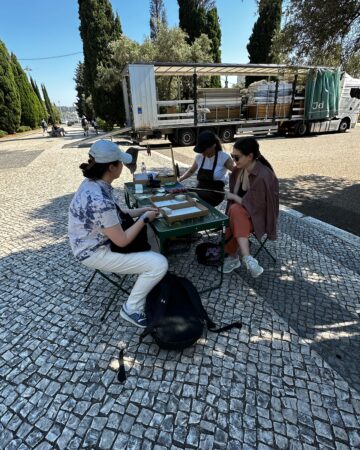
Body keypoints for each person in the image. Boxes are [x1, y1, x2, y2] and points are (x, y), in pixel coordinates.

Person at [68, 139, 168, 328]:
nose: (123, 165)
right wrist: (144, 219)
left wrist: (140, 211)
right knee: (160, 263)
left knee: (151, 238)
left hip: (89, 242)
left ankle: (148, 276)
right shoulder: (100, 199)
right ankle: (131, 308)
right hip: (94, 251)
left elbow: (114, 217)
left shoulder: (92, 184)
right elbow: (121, 241)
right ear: (112, 167)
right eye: (120, 162)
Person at [222, 137, 279, 277]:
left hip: (258, 217)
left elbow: (256, 207)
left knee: (234, 211)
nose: (234, 160)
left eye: (237, 157)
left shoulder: (263, 176)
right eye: (232, 156)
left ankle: (237, 257)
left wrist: (233, 197)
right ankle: (246, 259)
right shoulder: (238, 170)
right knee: (234, 212)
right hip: (241, 216)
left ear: (250, 156)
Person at [178, 131, 234, 206]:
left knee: (193, 196)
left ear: (213, 146)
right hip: (200, 189)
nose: (202, 153)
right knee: (183, 193)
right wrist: (179, 180)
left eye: (204, 150)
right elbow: (191, 171)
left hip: (215, 193)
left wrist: (235, 190)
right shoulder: (199, 157)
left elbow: (237, 172)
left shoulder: (224, 157)